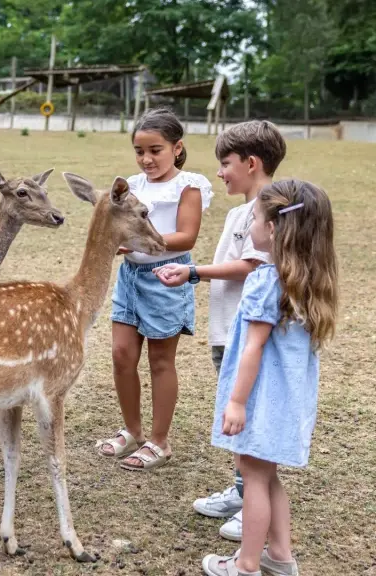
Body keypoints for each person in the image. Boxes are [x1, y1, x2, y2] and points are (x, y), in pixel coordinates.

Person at [155, 120, 287, 540]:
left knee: (247, 422)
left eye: (225, 163)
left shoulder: (268, 209)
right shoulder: (239, 211)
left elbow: (252, 266)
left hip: (246, 337)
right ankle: (242, 491)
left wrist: (193, 271)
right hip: (227, 335)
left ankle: (253, 505)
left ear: (251, 163)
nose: (219, 172)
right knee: (237, 424)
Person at [200, 180, 338, 576]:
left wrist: (237, 402)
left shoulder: (266, 280)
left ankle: (245, 565)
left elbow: (253, 348)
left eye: (255, 221)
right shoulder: (306, 280)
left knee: (253, 477)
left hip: (260, 398)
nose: (251, 229)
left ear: (274, 228)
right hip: (286, 399)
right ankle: (279, 556)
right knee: (267, 474)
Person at [96, 108, 213, 471]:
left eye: (155, 150)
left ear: (177, 148)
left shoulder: (188, 185)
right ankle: (132, 431)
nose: (146, 159)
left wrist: (136, 243)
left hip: (167, 278)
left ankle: (160, 442)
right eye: (139, 151)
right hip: (130, 279)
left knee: (160, 361)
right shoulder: (131, 186)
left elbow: (186, 235)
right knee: (121, 355)